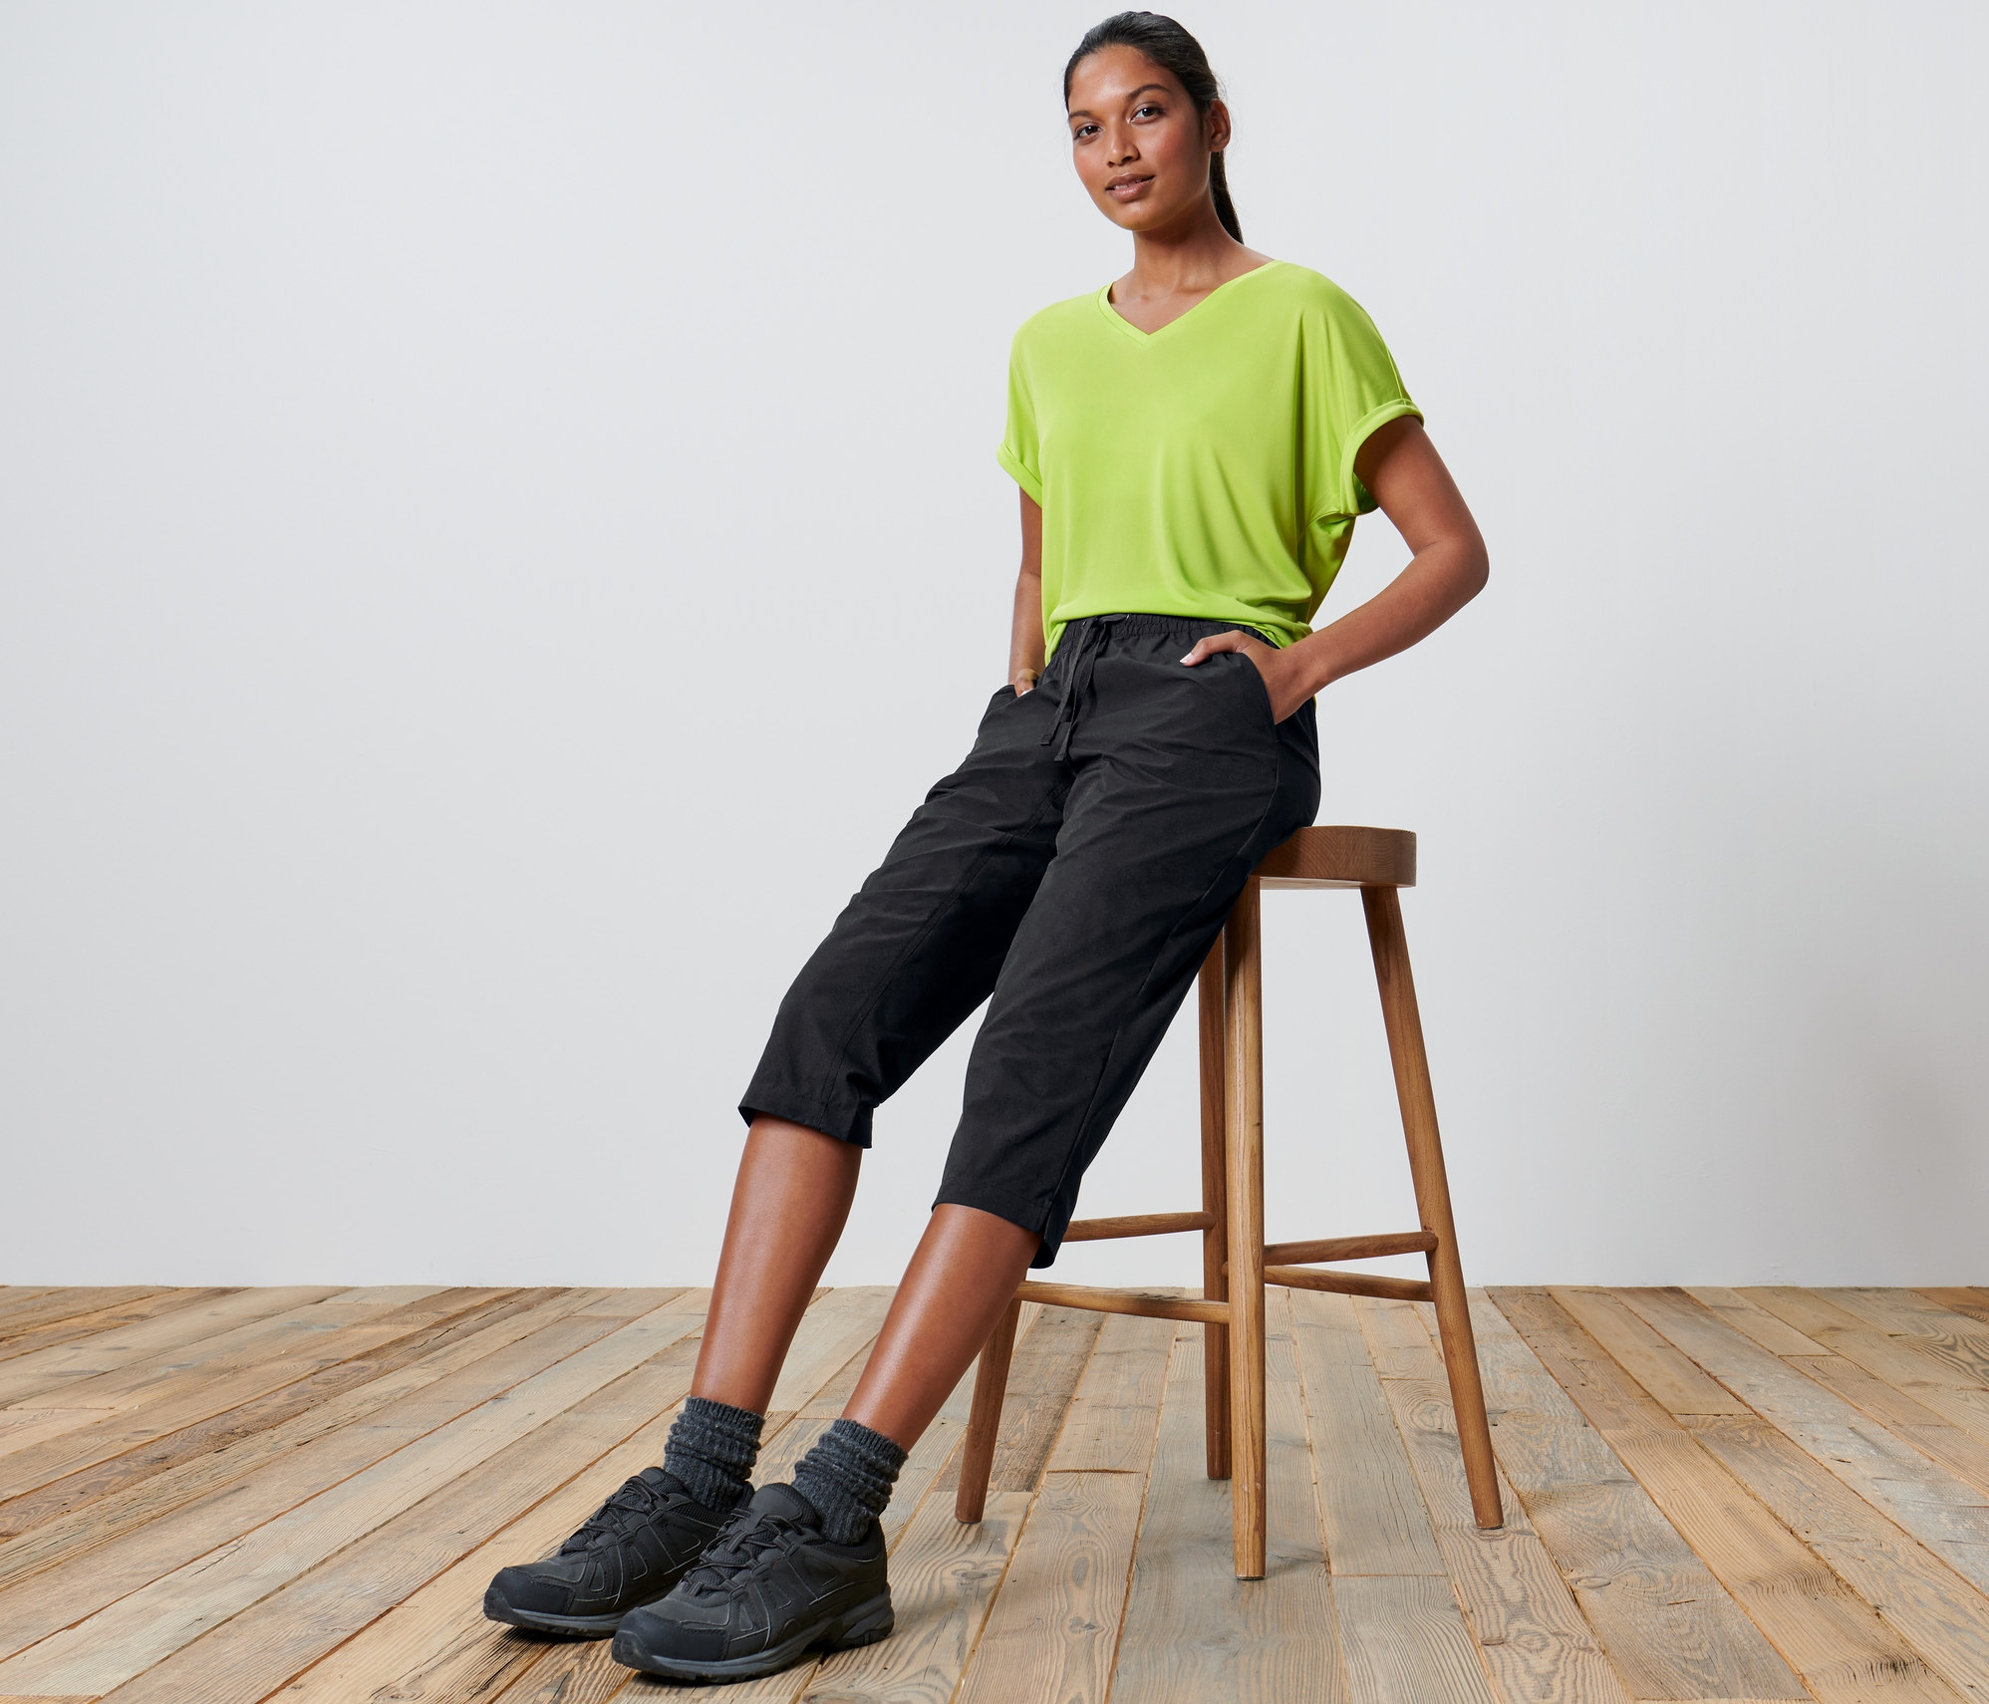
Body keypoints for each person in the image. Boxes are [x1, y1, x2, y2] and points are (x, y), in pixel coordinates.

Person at [483, 9, 1488, 1684]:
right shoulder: (1045, 342)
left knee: (1029, 1064)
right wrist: (1021, 694)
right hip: (1049, 711)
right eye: (1086, 125)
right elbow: (1039, 559)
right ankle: (698, 1475)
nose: (1117, 149)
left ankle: (834, 1520)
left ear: (1214, 121)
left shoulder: (1305, 314)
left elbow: (1452, 547)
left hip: (1208, 708)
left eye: (1147, 111)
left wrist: (1294, 670)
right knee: (832, 1017)